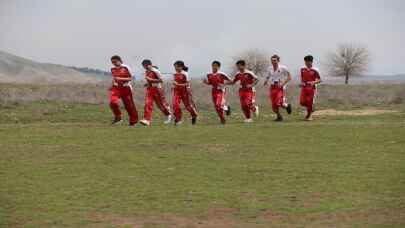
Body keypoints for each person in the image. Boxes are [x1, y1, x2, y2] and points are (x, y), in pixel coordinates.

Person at [139, 59, 172, 126]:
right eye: (144, 66)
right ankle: (147, 120)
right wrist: (147, 84)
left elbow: (161, 80)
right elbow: (149, 81)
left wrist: (151, 80)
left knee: (160, 105)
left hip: (157, 89)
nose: (145, 67)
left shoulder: (156, 71)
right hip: (150, 89)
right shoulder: (146, 72)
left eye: (146, 66)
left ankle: (168, 114)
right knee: (147, 103)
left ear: (150, 64)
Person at [109, 55, 138, 126]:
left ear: (120, 60)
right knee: (113, 102)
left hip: (126, 88)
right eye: (112, 62)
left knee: (129, 106)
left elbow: (131, 78)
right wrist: (112, 85)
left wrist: (120, 79)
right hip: (116, 88)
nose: (114, 63)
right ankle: (118, 117)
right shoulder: (112, 69)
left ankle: (133, 121)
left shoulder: (126, 67)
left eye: (115, 62)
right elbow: (114, 78)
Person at [264, 55, 292, 121]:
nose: (273, 62)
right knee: (274, 106)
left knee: (278, 103)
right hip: (272, 86)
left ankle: (287, 106)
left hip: (280, 87)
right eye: (272, 60)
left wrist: (283, 84)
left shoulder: (283, 68)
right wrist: (266, 80)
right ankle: (279, 117)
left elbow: (289, 77)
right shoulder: (269, 68)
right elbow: (268, 76)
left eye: (275, 60)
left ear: (278, 61)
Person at [172, 60, 198, 125]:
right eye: (174, 67)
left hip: (185, 91)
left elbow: (187, 84)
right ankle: (178, 119)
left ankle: (194, 115)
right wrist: (174, 86)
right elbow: (176, 82)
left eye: (177, 67)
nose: (175, 68)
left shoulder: (185, 74)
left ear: (181, 67)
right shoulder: (175, 74)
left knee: (188, 106)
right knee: (175, 105)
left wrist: (178, 84)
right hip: (177, 91)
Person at [299, 55, 321, 121]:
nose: (306, 63)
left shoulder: (315, 70)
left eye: (307, 62)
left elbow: (319, 80)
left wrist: (313, 82)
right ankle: (311, 108)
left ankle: (309, 116)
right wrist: (301, 83)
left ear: (311, 62)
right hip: (304, 88)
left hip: (312, 88)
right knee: (302, 102)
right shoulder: (302, 69)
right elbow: (302, 78)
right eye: (305, 61)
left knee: (309, 102)